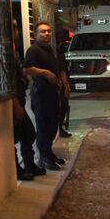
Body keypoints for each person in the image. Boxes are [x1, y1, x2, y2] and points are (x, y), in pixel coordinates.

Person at [23, 21, 66, 171]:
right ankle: (44, 158)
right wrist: (45, 73)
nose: (46, 34)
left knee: (52, 125)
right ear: (35, 35)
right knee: (44, 126)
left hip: (52, 93)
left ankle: (49, 153)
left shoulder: (48, 49)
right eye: (42, 31)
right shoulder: (33, 50)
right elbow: (27, 69)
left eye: (48, 31)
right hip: (41, 93)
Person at [12, 19, 46, 180]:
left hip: (18, 99)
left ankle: (28, 166)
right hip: (12, 103)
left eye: (16, 28)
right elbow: (6, 81)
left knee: (27, 134)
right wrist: (15, 104)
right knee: (23, 134)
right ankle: (20, 170)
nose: (15, 32)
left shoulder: (12, 50)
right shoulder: (3, 51)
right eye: (13, 28)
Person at [56, 40, 72, 138]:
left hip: (59, 84)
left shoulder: (55, 51)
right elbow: (62, 70)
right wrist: (66, 86)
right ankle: (59, 129)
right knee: (62, 106)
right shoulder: (57, 52)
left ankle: (59, 128)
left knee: (63, 106)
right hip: (59, 85)